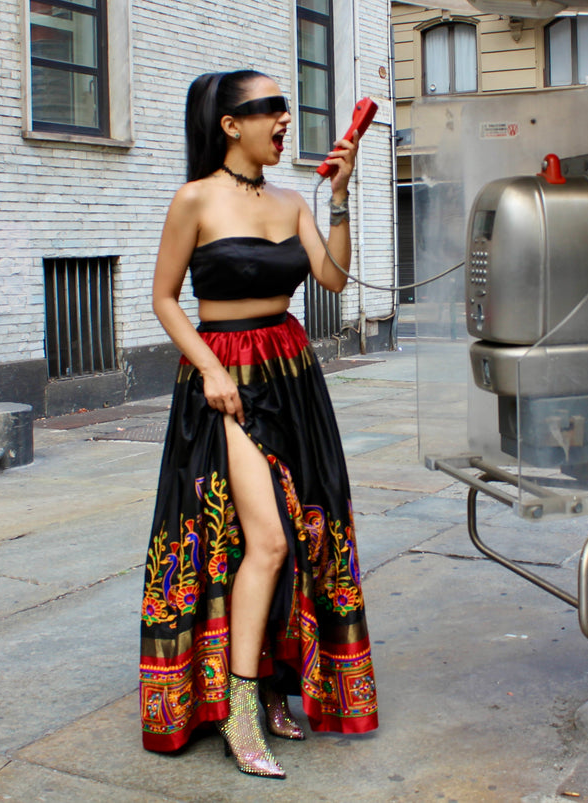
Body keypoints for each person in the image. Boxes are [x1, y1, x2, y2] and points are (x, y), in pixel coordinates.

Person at [138, 70, 379, 779]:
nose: (284, 119)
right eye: (269, 108)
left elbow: (331, 277)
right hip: (225, 385)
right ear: (228, 123)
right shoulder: (194, 199)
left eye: (284, 108)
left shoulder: (290, 199)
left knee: (295, 534)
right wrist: (209, 368)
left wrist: (338, 195)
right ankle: (239, 709)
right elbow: (163, 296)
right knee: (264, 539)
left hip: (290, 375)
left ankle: (272, 684)